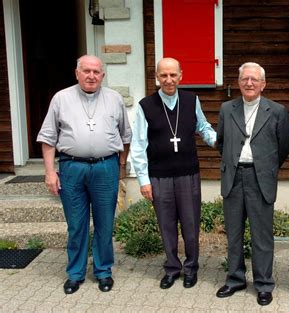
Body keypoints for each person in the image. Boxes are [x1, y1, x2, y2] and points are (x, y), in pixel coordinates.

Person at [37, 55, 132, 294]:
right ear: (76, 73)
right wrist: (50, 173)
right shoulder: (61, 98)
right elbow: (48, 139)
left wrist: (121, 163)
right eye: (86, 71)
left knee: (105, 222)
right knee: (76, 224)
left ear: (103, 75)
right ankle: (75, 273)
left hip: (105, 168)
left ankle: (103, 271)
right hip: (72, 168)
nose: (91, 76)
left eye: (96, 72)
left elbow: (126, 136)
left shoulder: (114, 99)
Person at [130, 57, 216, 289]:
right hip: (159, 176)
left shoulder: (191, 100)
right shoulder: (145, 105)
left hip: (188, 174)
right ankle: (172, 268)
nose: (169, 80)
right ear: (157, 77)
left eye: (173, 75)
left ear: (181, 76)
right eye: (163, 75)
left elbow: (203, 126)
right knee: (166, 225)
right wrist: (143, 180)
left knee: (190, 224)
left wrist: (218, 141)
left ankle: (191, 268)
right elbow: (138, 145)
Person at [216, 62, 289, 306]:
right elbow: (221, 141)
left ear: (263, 84)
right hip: (233, 177)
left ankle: (264, 284)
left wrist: (265, 168)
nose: (249, 83)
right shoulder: (227, 109)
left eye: (254, 79)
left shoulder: (277, 111)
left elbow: (283, 147)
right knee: (234, 233)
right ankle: (235, 279)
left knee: (262, 235)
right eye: (244, 79)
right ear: (238, 83)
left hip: (260, 179)